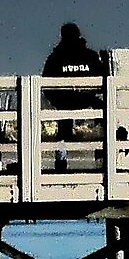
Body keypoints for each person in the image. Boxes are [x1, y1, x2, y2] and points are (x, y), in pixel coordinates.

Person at [41, 22, 107, 171]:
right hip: (87, 100)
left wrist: (56, 100)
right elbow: (104, 78)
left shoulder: (55, 58)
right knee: (104, 121)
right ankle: (103, 160)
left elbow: (46, 83)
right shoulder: (90, 56)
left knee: (63, 134)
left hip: (65, 102)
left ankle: (61, 164)